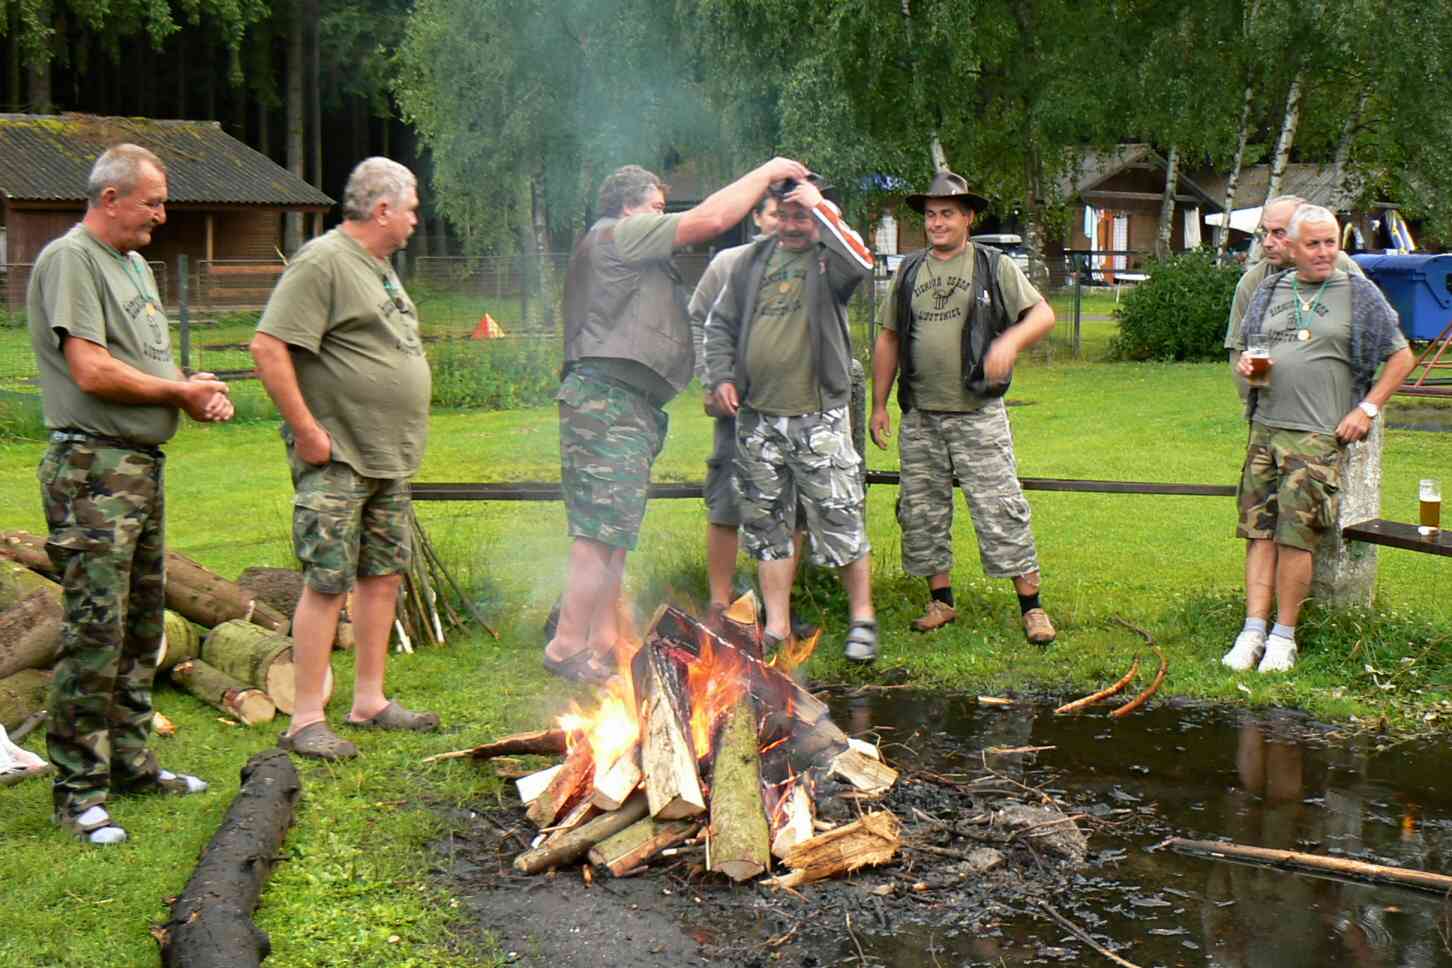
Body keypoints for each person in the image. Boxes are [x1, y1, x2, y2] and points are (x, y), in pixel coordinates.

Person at [28, 143, 233, 844]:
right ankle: (78, 791)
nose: (162, 213)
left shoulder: (136, 265)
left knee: (143, 624)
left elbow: (145, 362)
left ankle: (133, 765)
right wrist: (174, 389)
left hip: (139, 466)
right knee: (96, 628)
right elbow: (90, 368)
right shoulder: (70, 259)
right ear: (109, 197)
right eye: (152, 201)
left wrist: (191, 390)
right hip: (92, 467)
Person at [546, 157, 811, 683]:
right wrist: (767, 172)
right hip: (607, 400)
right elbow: (711, 220)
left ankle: (602, 642)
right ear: (629, 207)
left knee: (614, 530)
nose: (663, 218)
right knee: (598, 531)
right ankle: (566, 645)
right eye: (657, 208)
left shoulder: (621, 244)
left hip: (626, 404)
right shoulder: (618, 234)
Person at [251, 157, 439, 759]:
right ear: (382, 209)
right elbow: (268, 345)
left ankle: (369, 701)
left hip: (386, 457)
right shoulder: (324, 262)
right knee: (328, 580)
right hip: (339, 456)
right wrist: (306, 429)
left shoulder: (379, 268)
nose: (415, 218)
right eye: (410, 207)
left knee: (381, 577)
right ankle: (306, 719)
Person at [1223, 205, 1416, 673]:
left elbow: (1402, 356)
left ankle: (1283, 638)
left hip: (1315, 436)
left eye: (1332, 242)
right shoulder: (1270, 289)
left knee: (1296, 538)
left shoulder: (1359, 293)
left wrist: (1366, 409)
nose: (1325, 252)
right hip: (1265, 427)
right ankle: (1252, 632)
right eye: (1314, 243)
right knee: (1258, 534)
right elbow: (1252, 349)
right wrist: (1249, 366)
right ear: (1290, 246)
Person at [869, 170, 1057, 644]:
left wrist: (1010, 343)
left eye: (947, 214)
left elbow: (1043, 314)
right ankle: (941, 602)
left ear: (968, 217)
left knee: (1000, 508)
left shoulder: (993, 266)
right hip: (921, 417)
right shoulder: (908, 271)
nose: (937, 223)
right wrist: (878, 405)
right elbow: (889, 337)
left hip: (977, 415)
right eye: (931, 215)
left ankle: (1031, 608)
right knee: (921, 512)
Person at [703, 176, 879, 661]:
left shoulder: (829, 259)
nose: (792, 224)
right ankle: (777, 626)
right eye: (785, 213)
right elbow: (718, 325)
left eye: (800, 214)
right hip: (757, 421)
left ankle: (863, 618)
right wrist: (720, 378)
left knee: (840, 516)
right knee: (766, 527)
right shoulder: (750, 263)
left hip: (817, 417)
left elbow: (862, 261)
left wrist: (821, 206)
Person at [688, 194, 794, 621]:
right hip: (740, 409)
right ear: (757, 217)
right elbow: (698, 320)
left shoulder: (813, 264)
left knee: (792, 509)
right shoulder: (728, 263)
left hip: (795, 410)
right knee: (728, 503)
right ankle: (719, 603)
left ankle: (777, 607)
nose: (783, 222)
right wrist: (714, 381)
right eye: (774, 214)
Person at [1225, 195, 1364, 401]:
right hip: (1281, 406)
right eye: (1265, 232)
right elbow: (1245, 348)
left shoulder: (1342, 269)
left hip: (1338, 404)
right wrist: (1256, 403)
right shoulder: (1254, 283)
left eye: (1279, 233)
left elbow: (1376, 341)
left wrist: (1365, 406)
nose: (1268, 243)